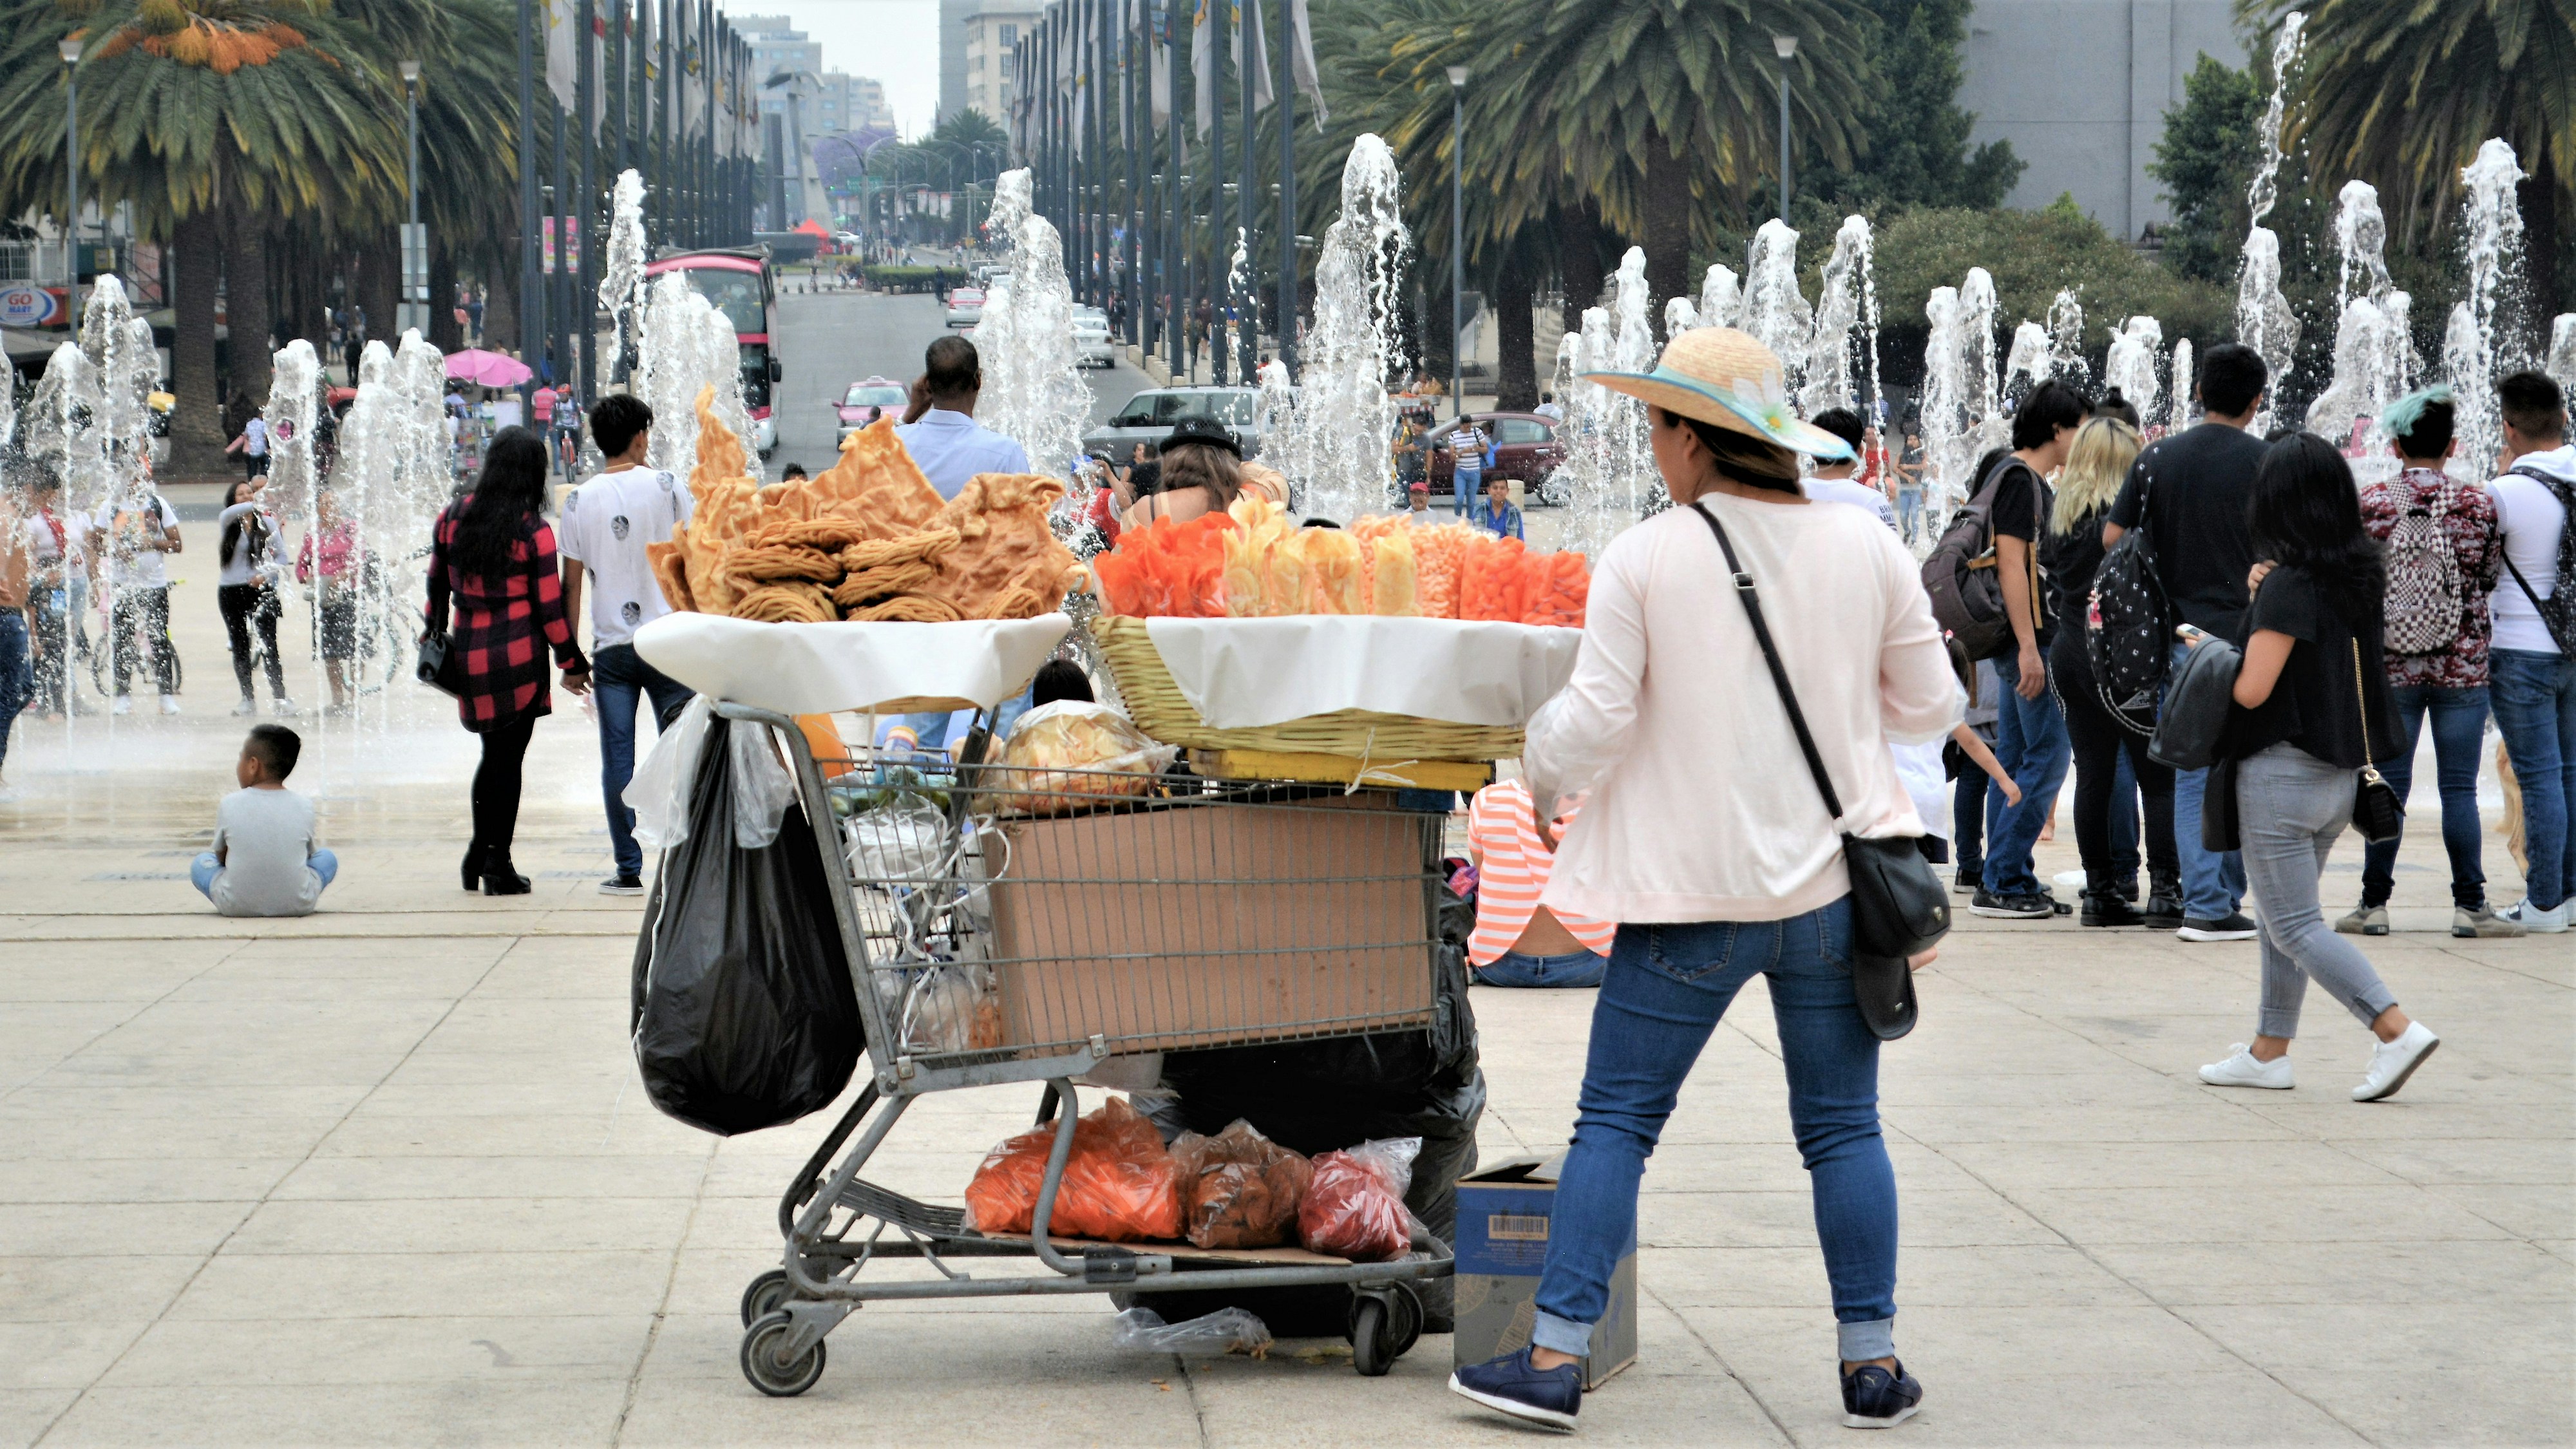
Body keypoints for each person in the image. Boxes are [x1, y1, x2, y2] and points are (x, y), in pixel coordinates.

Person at [1448, 328, 1958, 1433]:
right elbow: (1931, 707)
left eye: (1657, 428)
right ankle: (1871, 1366)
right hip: (1831, 896)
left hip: (1687, 903)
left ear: (1694, 437)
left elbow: (1597, 719)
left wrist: (1536, 773)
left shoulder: (1649, 555)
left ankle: (1552, 1359)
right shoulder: (1864, 547)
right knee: (1842, 1129)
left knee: (1616, 1127)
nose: (1653, 448)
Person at [2195, 432, 2440, 1103]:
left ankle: (2394, 1028)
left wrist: (2210, 649)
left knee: (2295, 923)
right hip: (2338, 776)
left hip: (2279, 772)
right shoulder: (2354, 575)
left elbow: (2251, 689)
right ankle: (2268, 1052)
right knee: (2284, 920)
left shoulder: (2286, 586)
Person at [2105, 341, 2271, 943]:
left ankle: (2204, 899)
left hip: (2180, 637)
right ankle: (2219, 898)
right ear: (2256, 401)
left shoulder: (2156, 459)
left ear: (2198, 392)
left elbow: (2113, 538)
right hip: (2254, 638)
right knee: (2246, 768)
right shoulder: (2266, 463)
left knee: (2194, 768)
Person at [2344, 386, 2518, 938]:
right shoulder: (2477, 503)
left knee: (2388, 783)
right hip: (2462, 664)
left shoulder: (2371, 503)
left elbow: (2358, 583)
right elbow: (2488, 577)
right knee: (2459, 789)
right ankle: (2471, 905)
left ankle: (2373, 906)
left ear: (2395, 447)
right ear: (2454, 446)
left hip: (2391, 664)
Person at [427, 426, 589, 895]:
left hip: (471, 653)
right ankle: (497, 863)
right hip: (518, 656)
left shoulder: (453, 516)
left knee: (491, 755)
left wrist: (432, 633)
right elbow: (548, 609)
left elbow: (436, 586)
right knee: (508, 761)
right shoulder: (532, 531)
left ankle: (479, 853)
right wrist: (572, 661)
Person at [2041, 415, 2178, 927]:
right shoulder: (2127, 522)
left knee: (2093, 774)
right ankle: (2166, 887)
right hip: (2123, 655)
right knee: (2157, 777)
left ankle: (2100, 891)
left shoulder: (2060, 516)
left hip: (2071, 651)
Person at [559, 395, 694, 896]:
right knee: (681, 750)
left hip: (612, 652)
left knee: (617, 758)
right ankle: (684, 855)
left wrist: (569, 657)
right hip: (669, 646)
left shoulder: (577, 500)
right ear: (640, 436)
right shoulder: (667, 485)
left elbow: (571, 586)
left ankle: (627, 866)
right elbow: (696, 558)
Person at [1970, 377, 2087, 920]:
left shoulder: (2013, 475)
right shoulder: (2021, 479)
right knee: (2049, 755)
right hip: (2030, 641)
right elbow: (2010, 564)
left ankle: (2006, 875)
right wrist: (2027, 648)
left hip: (2022, 640)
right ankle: (2004, 878)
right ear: (2057, 429)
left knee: (2016, 759)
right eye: (2078, 429)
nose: (2080, 442)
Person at [2488, 370, 2576, 932]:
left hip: (2520, 649)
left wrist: (2497, 479)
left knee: (2539, 776)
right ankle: (2568, 895)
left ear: (2508, 427)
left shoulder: (2506, 493)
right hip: (2573, 649)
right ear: (2564, 419)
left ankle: (2543, 900)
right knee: (2570, 772)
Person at [1461, 778, 1614, 987]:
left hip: (1499, 966)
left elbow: (1484, 871)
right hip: (1591, 965)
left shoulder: (1487, 800)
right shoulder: (1605, 798)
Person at [192, 724, 338, 917]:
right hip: (298, 903)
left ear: (253, 765)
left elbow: (221, 858)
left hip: (235, 905)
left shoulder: (229, 803)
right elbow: (307, 856)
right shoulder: (305, 805)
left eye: (240, 758)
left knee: (201, 863)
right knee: (327, 858)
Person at [895, 336, 1032, 498]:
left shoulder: (896, 445)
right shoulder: (1006, 454)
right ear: (978, 380)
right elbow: (1028, 519)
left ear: (926, 384)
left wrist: (910, 414)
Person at [93, 479, 184, 716]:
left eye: (140, 476)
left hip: (155, 584)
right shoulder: (110, 507)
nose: (134, 482)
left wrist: (153, 543)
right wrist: (114, 550)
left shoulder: (157, 504)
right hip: (121, 584)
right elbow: (94, 542)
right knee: (122, 640)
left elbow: (177, 544)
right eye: (130, 477)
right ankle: (123, 696)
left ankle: (166, 696)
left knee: (159, 639)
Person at [216, 476, 294, 718]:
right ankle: (247, 699)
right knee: (240, 646)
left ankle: (280, 698)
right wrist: (260, 500)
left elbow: (281, 558)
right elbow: (236, 510)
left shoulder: (268, 523)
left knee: (270, 645)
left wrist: (263, 575)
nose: (247, 497)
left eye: (250, 493)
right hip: (231, 590)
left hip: (261, 590)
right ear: (232, 500)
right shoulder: (228, 520)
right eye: (241, 494)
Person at [1120, 419, 1285, 530]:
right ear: (1226, 460)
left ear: (1170, 461)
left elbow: (1120, 574)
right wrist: (1226, 467)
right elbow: (1277, 481)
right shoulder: (1249, 501)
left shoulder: (1149, 509)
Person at [22, 468, 86, 719]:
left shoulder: (68, 517)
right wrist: (41, 577)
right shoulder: (34, 522)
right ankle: (40, 699)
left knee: (62, 645)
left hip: (66, 589)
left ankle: (61, 700)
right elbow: (25, 559)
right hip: (42, 595)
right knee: (44, 648)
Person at [296, 489, 363, 714]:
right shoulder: (312, 534)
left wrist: (342, 576)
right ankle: (337, 701)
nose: (329, 508)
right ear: (318, 509)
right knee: (329, 651)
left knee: (354, 649)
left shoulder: (349, 528)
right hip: (323, 597)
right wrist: (307, 578)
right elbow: (301, 565)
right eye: (325, 504)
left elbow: (359, 558)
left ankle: (355, 700)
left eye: (333, 503)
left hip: (347, 593)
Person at [1805, 408, 1899, 529]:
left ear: (1812, 452)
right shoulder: (1873, 501)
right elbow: (1890, 546)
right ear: (1860, 451)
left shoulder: (1789, 494)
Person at [0, 485, 28, 788]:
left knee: (23, 689)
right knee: (11, 694)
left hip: (13, 616)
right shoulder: (5, 514)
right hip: (5, 618)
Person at [1446, 419, 1492, 517]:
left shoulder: (1477, 432)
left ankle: (1470, 521)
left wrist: (1477, 448)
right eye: (1465, 427)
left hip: (1474, 470)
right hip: (1460, 471)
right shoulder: (1454, 436)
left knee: (1471, 501)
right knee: (1459, 499)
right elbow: (1452, 457)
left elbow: (1485, 449)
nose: (1467, 429)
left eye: (1469, 426)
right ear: (1460, 425)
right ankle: (1457, 518)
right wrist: (1462, 452)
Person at [1895, 429, 1927, 542]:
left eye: (1915, 439)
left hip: (1916, 488)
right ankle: (1907, 530)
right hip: (1904, 488)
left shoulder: (1922, 454)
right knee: (1903, 515)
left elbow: (1924, 466)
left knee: (1914, 513)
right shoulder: (1901, 454)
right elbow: (1895, 468)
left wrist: (1908, 467)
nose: (1912, 442)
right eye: (1910, 439)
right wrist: (1907, 476)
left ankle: (1914, 537)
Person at [1471, 475, 1524, 540]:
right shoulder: (1479, 510)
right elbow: (1472, 538)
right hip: (1485, 549)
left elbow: (1520, 541)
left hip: (1508, 549)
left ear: (1507, 491)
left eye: (1502, 488)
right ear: (1489, 490)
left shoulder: (1514, 512)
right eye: (1495, 488)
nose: (1499, 491)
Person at [225, 412, 270, 480]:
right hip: (262, 448)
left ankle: (252, 480)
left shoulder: (249, 424)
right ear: (260, 415)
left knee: (252, 467)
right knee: (264, 465)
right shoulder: (263, 424)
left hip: (252, 449)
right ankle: (263, 479)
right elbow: (265, 435)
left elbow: (246, 436)